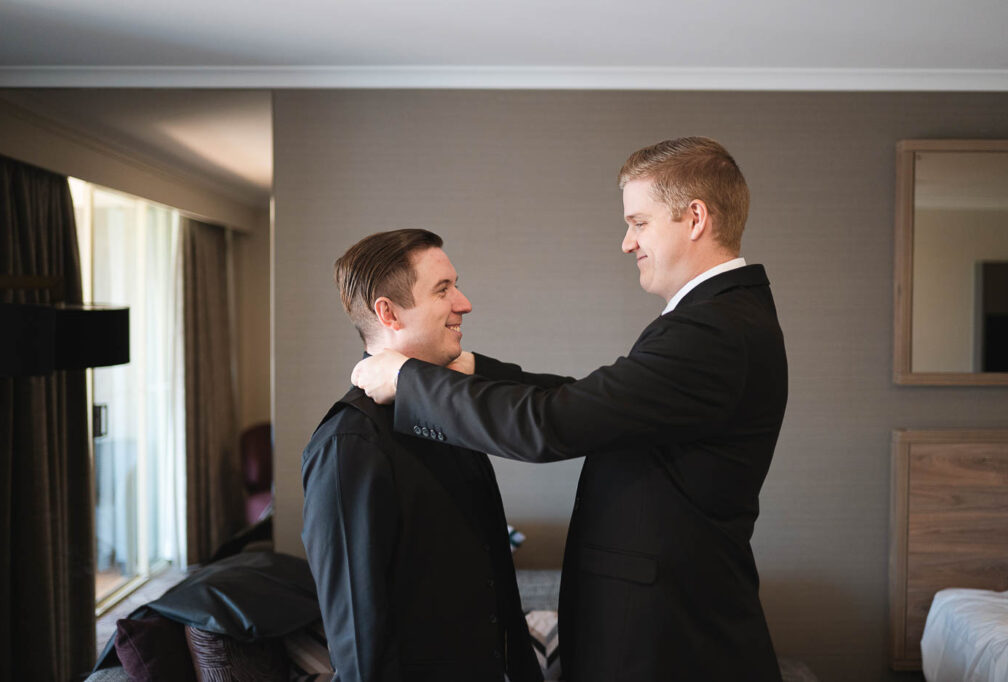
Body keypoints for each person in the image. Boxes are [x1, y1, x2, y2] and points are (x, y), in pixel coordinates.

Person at [351, 138, 788, 681]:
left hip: (670, 642)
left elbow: (552, 425)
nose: (627, 242)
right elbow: (596, 402)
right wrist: (470, 369)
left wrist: (407, 380)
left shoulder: (712, 330)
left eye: (639, 222)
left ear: (695, 218)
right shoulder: (720, 320)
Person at [301, 229, 543, 682]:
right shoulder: (348, 444)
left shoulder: (448, 411)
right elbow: (358, 632)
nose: (464, 303)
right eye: (443, 290)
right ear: (388, 313)